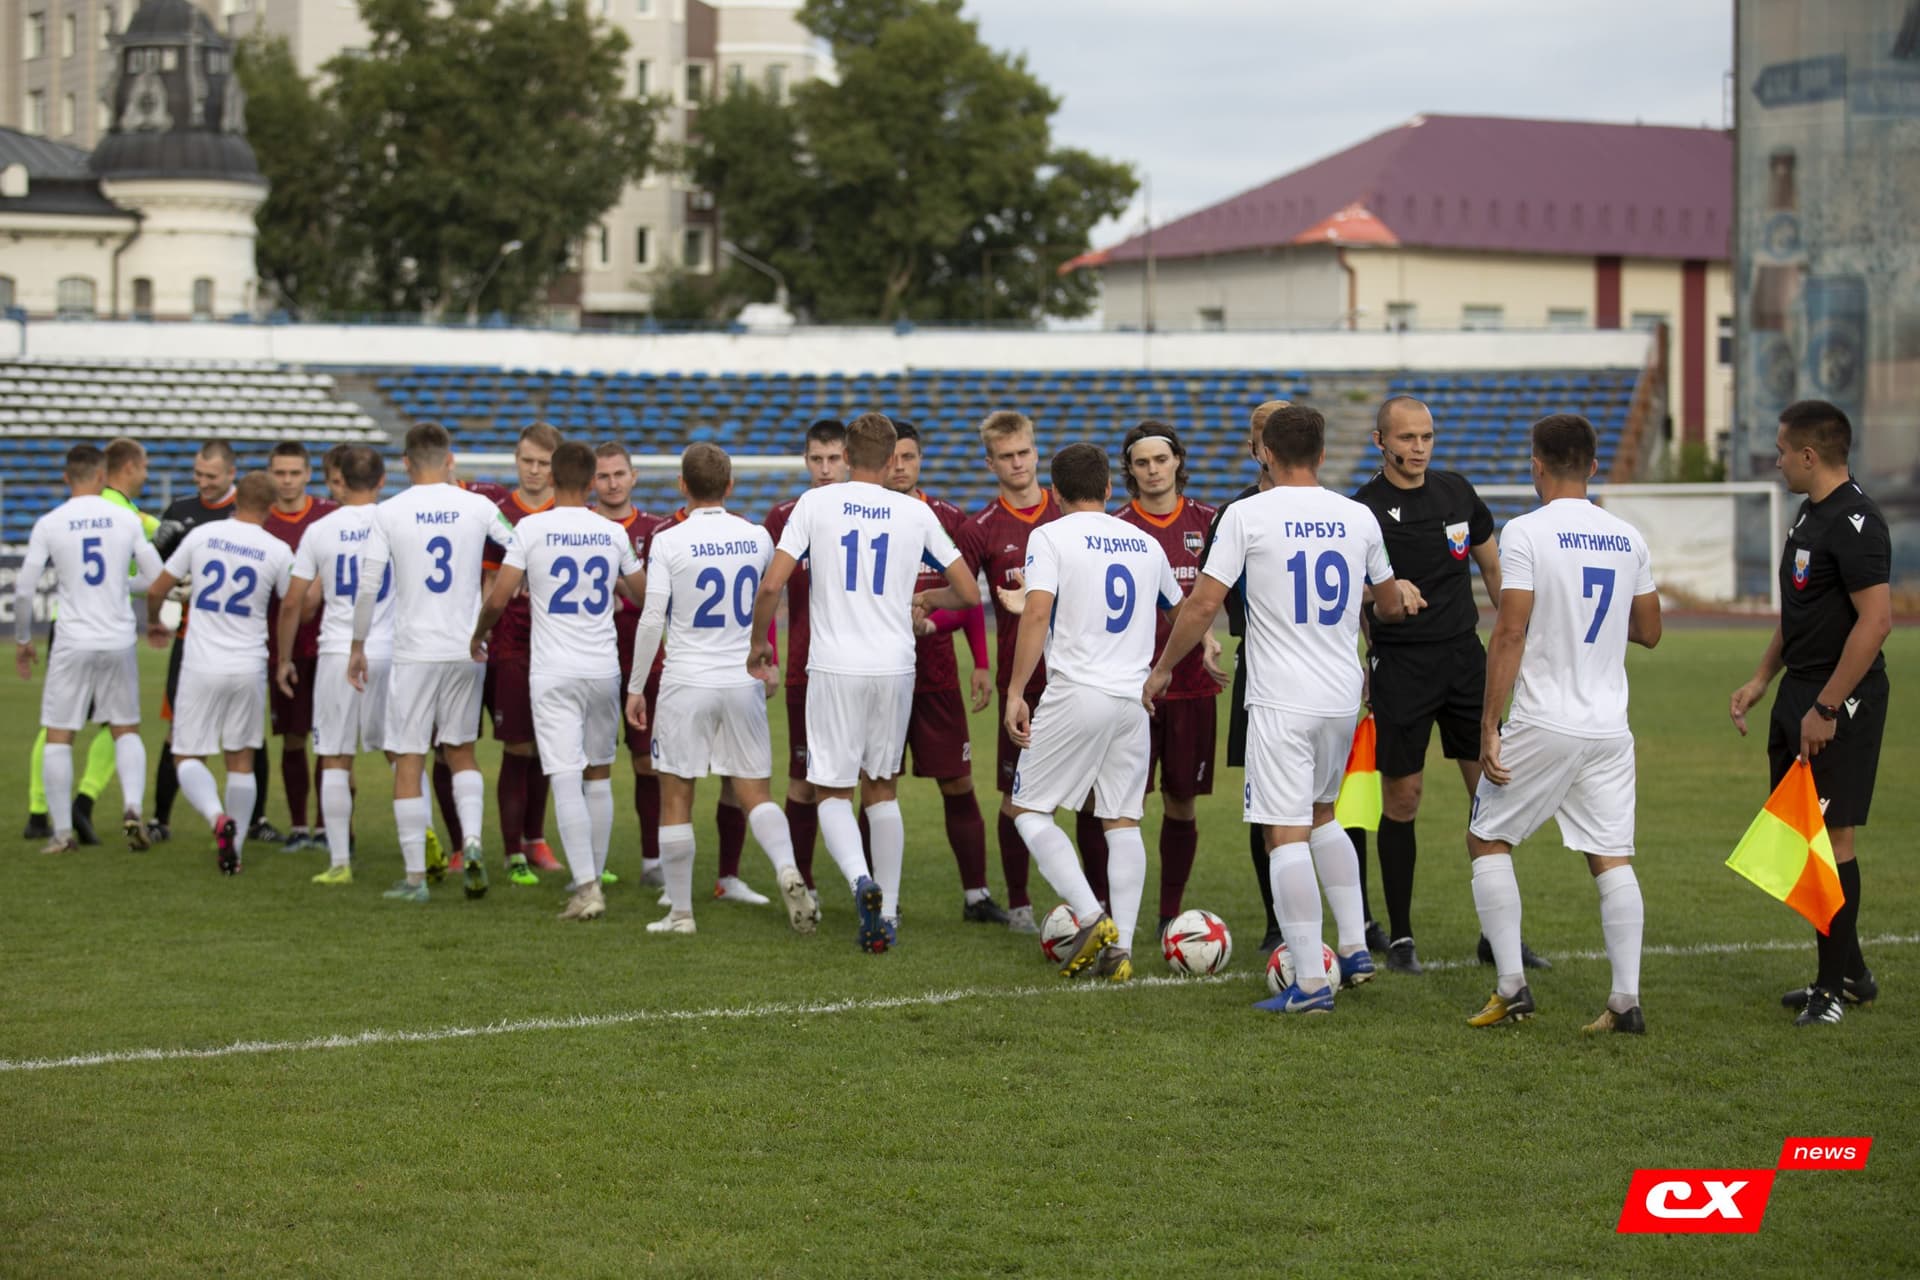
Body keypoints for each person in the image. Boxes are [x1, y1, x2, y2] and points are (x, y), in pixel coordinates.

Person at [1150, 405, 1414, 1015]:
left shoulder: (1245, 514)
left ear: (1264, 452)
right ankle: (1353, 947)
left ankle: (1311, 985)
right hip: (1341, 693)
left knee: (1284, 832)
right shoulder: (1358, 515)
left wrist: (1163, 668)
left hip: (1280, 696)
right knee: (1324, 814)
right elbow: (1389, 603)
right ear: (1322, 455)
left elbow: (1201, 605)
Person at [748, 413, 980, 951]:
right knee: (883, 790)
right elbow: (968, 591)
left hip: (833, 665)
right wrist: (927, 599)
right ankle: (890, 912)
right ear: (892, 458)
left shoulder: (814, 504)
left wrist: (760, 642)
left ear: (847, 457)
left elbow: (771, 586)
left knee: (831, 791)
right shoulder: (914, 513)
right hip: (896, 665)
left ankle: (860, 881)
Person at [1464, 414, 1661, 1034]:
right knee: (1612, 857)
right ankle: (1625, 1001)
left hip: (1547, 719)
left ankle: (1512, 988)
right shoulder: (1627, 537)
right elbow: (1651, 631)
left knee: (1486, 837)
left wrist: (1489, 724)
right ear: (1594, 466)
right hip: (1609, 725)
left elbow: (1511, 629)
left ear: (1537, 465)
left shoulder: (1525, 533)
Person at [1351, 396, 1548, 975]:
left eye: (1426, 437)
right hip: (1402, 665)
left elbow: (1494, 569)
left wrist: (1516, 634)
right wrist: (1381, 595)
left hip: (1465, 660)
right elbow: (1348, 590)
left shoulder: (1457, 493)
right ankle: (1404, 938)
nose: (1418, 448)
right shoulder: (1363, 511)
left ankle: (1499, 938)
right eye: (1406, 438)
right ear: (1379, 441)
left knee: (1490, 798)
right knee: (1403, 798)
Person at [1729, 399, 1892, 1028]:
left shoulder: (1858, 522)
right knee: (1801, 840)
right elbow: (1800, 612)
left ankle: (1833, 989)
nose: (1774, 460)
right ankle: (1850, 971)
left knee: (1832, 840)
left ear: (1809, 454)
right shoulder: (1809, 514)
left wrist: (1827, 705)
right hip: (1800, 692)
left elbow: (1875, 623)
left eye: (1780, 450)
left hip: (1839, 699)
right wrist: (1762, 679)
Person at [1005, 443, 1184, 981]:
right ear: (1110, 488)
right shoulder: (1145, 542)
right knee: (1122, 821)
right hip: (1132, 698)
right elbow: (1179, 610)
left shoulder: (1049, 534)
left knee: (1029, 811)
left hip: (1078, 690)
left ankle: (1091, 916)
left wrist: (1017, 690)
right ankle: (1122, 946)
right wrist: (1165, 667)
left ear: (1054, 493)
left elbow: (1038, 612)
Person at [626, 443, 811, 934]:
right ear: (730, 486)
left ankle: (681, 913)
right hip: (740, 679)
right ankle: (788, 870)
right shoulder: (756, 538)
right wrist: (764, 655)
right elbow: (770, 605)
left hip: (687, 679)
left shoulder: (668, 540)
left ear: (682, 486)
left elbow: (651, 619)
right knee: (755, 791)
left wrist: (636, 686)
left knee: (676, 797)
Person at [474, 441, 646, 921]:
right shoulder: (610, 531)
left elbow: (498, 598)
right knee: (598, 772)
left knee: (565, 773)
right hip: (601, 667)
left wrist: (479, 633)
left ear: (551, 479)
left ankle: (588, 885)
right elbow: (643, 592)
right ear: (593, 482)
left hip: (553, 670)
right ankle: (587, 873)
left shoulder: (531, 527)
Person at [352, 421, 516, 902]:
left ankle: (415, 880)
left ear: (404, 463)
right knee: (461, 751)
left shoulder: (389, 512)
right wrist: (502, 592)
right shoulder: (478, 505)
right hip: (466, 647)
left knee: (409, 757)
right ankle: (472, 844)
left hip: (415, 650)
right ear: (450, 461)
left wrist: (358, 644)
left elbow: (368, 586)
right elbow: (516, 545)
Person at [14, 444, 165, 853]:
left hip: (72, 639)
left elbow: (26, 588)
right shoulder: (125, 518)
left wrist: (25, 639)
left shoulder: (50, 522)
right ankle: (132, 808)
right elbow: (154, 578)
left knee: (60, 735)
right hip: (117, 639)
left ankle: (62, 832)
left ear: (67, 478)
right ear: (102, 476)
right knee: (125, 728)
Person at [884, 421, 1006, 924]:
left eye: (908, 457)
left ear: (919, 461)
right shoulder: (861, 516)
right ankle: (878, 896)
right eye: (891, 458)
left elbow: (970, 598)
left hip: (935, 676)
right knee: (878, 785)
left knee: (957, 783)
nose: (899, 467)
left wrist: (979, 660)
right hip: (881, 675)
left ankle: (976, 894)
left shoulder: (950, 519)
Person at [955, 410, 1072, 934]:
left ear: (1035, 450)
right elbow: (962, 598)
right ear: (990, 462)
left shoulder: (1070, 512)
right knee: (1014, 793)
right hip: (1021, 682)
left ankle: (1098, 899)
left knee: (1090, 795)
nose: (1018, 463)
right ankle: (1021, 904)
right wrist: (925, 608)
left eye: (1024, 452)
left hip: (1077, 674)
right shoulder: (981, 527)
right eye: (1006, 456)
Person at [144, 472, 296, 874]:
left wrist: (155, 621)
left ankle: (217, 819)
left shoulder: (202, 537)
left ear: (235, 500)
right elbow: (294, 603)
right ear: (272, 507)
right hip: (247, 665)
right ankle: (237, 850)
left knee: (186, 754)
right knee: (241, 759)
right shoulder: (277, 549)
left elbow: (157, 588)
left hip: (200, 663)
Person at [1112, 421, 1225, 935]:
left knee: (1181, 801)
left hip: (1193, 689)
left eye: (1162, 459)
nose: (1154, 470)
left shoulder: (1213, 522)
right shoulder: (1115, 527)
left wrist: (1213, 638)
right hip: (1129, 689)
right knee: (1116, 802)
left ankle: (1166, 913)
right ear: (1130, 471)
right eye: (1142, 463)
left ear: (1178, 460)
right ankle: (1111, 907)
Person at [276, 445, 396, 886]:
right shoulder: (395, 522)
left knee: (334, 756)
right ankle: (421, 849)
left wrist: (285, 658)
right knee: (401, 753)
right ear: (382, 481)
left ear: (340, 478)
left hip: (337, 652)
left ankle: (340, 862)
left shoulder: (320, 529)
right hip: (390, 650)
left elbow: (294, 602)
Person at [1201, 399, 1283, 951]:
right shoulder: (1235, 514)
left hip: (1320, 667)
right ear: (1253, 447)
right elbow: (1212, 592)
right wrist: (1207, 638)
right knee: (1263, 801)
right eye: (1260, 436)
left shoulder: (1336, 511)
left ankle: (1359, 921)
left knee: (1332, 802)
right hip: (1258, 662)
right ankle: (1277, 920)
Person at [762, 419, 847, 900]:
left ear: (849, 460)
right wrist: (769, 650)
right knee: (802, 781)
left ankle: (874, 886)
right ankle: (805, 886)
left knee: (873, 783)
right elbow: (771, 593)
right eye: (817, 459)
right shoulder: (784, 516)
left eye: (833, 458)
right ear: (805, 460)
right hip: (805, 667)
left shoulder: (869, 512)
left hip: (861, 666)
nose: (825, 468)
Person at [149, 440, 248, 845]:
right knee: (177, 731)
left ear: (230, 473)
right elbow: (156, 572)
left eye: (210, 476)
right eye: (198, 474)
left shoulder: (247, 513)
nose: (202, 482)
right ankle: (160, 819)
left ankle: (251, 820)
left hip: (239, 643)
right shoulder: (179, 512)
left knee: (243, 739)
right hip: (190, 640)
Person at [481, 422, 563, 885]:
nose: (533, 471)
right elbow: (490, 582)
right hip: (511, 643)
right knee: (517, 745)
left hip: (557, 644)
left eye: (543, 464)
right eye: (526, 461)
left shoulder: (567, 512)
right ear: (516, 460)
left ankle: (536, 838)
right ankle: (514, 849)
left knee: (547, 747)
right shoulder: (499, 513)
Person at [263, 441, 339, 853]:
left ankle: (328, 826)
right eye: (280, 473)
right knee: (292, 739)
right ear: (270, 474)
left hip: (328, 645)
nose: (288, 481)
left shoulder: (328, 516)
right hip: (282, 648)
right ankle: (297, 826)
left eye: (294, 473)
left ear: (308, 474)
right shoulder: (262, 524)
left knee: (330, 742)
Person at [594, 441, 662, 885]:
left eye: (620, 474)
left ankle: (652, 861)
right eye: (603, 476)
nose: (613, 483)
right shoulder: (578, 528)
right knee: (591, 764)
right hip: (592, 658)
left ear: (633, 477)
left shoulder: (657, 530)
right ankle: (591, 865)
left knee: (646, 763)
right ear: (591, 482)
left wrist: (623, 588)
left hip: (646, 659)